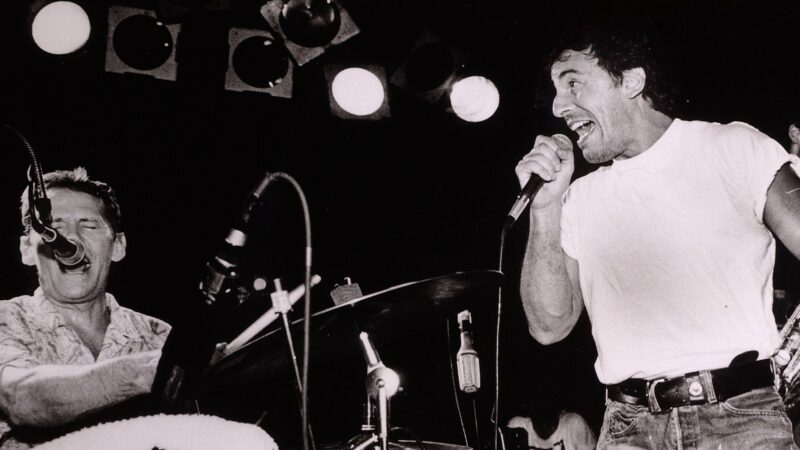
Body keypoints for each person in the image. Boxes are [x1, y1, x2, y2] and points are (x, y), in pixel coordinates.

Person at [515, 23, 800, 449]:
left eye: (573, 83)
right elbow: (547, 327)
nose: (559, 106)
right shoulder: (578, 198)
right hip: (627, 427)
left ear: (631, 81)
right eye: (556, 90)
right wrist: (544, 209)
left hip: (739, 421)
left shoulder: (733, 146)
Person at [0, 167, 171, 448]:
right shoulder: (6, 320)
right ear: (27, 250)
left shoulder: (159, 335)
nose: (71, 239)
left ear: (118, 246)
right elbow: (21, 398)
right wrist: (147, 371)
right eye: (53, 226)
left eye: (88, 225)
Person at [506, 387, 596, 450]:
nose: (542, 402)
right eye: (536, 396)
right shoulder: (518, 427)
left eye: (546, 395)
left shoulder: (574, 424)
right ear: (526, 404)